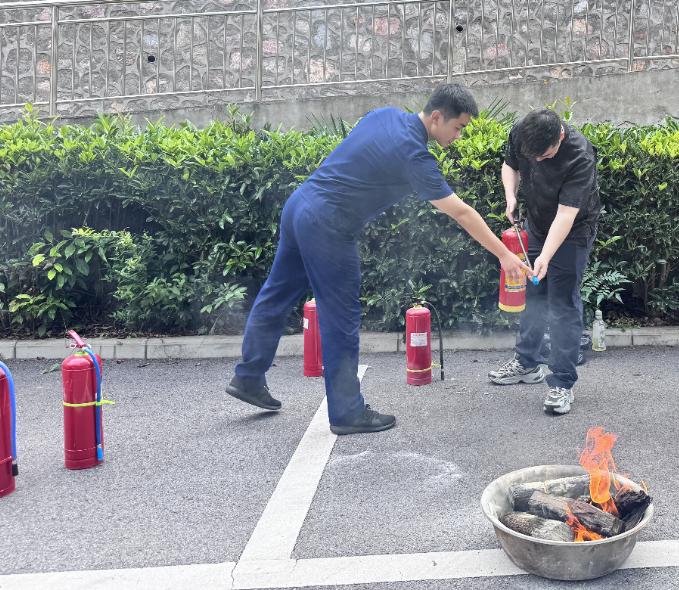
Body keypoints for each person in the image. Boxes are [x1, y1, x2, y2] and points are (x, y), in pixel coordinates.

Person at [227, 84, 533, 434]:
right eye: (458, 127)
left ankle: (248, 377)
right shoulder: (414, 155)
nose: (459, 135)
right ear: (437, 117)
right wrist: (505, 255)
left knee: (276, 295)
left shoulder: (385, 115)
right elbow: (462, 213)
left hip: (300, 205)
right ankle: (347, 412)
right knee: (340, 317)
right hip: (327, 225)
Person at [488, 108, 600, 415]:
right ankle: (526, 364)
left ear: (560, 136)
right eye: (533, 156)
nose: (538, 161)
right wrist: (511, 196)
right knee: (533, 295)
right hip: (536, 225)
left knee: (562, 303)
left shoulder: (580, 155)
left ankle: (562, 382)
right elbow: (510, 165)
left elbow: (566, 215)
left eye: (546, 156)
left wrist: (546, 257)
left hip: (573, 231)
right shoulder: (523, 131)